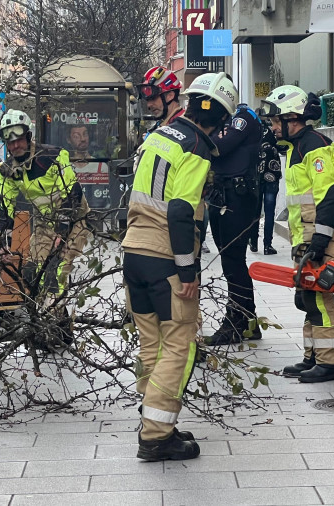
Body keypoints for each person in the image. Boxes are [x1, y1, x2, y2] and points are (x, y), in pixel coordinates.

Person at [123, 72, 236, 462]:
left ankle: (152, 418)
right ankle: (155, 436)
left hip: (133, 252)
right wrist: (187, 272)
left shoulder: (158, 136)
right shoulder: (196, 149)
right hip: (165, 259)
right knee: (179, 343)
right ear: (220, 118)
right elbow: (180, 210)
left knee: (151, 341)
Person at [260, 85, 334, 383]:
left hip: (321, 238)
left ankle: (332, 363)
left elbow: (328, 197)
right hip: (308, 239)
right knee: (308, 298)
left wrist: (319, 241)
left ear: (294, 118)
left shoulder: (315, 147)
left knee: (320, 300)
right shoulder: (296, 148)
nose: (274, 128)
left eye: (277, 122)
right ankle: (313, 357)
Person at [0, 109, 91, 296]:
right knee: (32, 272)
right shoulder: (7, 171)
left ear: (29, 136)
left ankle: (54, 319)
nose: (16, 146)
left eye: (20, 139)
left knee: (54, 271)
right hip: (43, 223)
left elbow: (73, 193)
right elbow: (6, 207)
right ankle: (47, 317)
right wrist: (3, 243)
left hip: (73, 220)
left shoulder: (52, 157)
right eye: (11, 142)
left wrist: (62, 233)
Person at [206, 96, 264, 346]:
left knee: (233, 259)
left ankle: (238, 321)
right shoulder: (222, 120)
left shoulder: (243, 116)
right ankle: (247, 320)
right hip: (220, 194)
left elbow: (222, 145)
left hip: (239, 196)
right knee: (228, 260)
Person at [248, 123, 282, 255]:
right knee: (269, 212)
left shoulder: (252, 132)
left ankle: (253, 242)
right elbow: (282, 147)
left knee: (255, 211)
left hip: (256, 177)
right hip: (272, 176)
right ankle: (268, 245)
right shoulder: (274, 132)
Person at [66, 124, 110, 210]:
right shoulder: (65, 167)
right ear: (69, 140)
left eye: (85, 134)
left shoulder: (100, 167)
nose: (82, 139)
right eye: (76, 136)